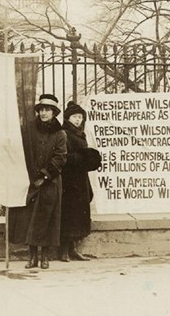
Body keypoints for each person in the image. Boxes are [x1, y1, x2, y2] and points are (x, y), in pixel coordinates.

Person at [8, 94, 67, 269]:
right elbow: (20, 149)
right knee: (30, 220)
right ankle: (32, 256)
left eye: (47, 110)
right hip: (30, 182)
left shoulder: (60, 133)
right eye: (41, 109)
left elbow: (60, 158)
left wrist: (46, 175)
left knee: (47, 219)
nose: (43, 113)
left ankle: (45, 256)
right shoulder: (28, 129)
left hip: (50, 182)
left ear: (54, 112)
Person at [59, 101, 101, 262]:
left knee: (78, 214)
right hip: (68, 180)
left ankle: (73, 249)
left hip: (80, 179)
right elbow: (64, 156)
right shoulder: (64, 133)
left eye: (80, 117)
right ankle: (63, 250)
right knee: (68, 215)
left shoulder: (79, 133)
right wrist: (82, 157)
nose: (78, 120)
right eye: (75, 117)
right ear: (68, 117)